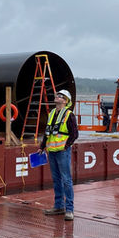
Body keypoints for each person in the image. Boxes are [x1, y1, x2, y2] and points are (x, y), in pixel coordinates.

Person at [40, 89, 79, 221]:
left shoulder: (69, 115)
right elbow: (48, 132)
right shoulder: (51, 113)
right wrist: (42, 147)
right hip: (51, 151)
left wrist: (65, 146)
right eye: (57, 95)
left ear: (65, 100)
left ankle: (69, 210)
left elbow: (74, 134)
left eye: (60, 96)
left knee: (66, 180)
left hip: (62, 152)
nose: (57, 96)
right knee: (56, 180)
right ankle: (58, 206)